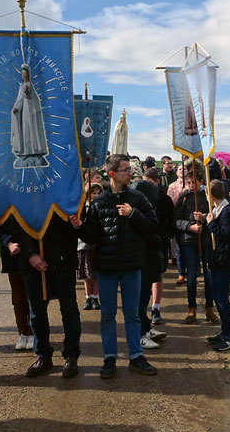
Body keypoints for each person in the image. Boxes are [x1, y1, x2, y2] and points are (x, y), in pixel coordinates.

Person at [73, 153, 159, 378]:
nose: (130, 173)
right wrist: (79, 225)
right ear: (112, 174)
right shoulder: (99, 202)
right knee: (108, 315)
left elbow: (152, 227)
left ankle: (135, 357)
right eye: (126, 170)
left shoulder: (138, 198)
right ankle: (109, 358)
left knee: (132, 314)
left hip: (132, 266)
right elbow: (91, 236)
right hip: (107, 268)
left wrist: (133, 214)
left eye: (130, 169)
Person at [14, 216, 83, 379]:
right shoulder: (23, 190)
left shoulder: (67, 191)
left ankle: (71, 356)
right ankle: (43, 356)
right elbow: (16, 222)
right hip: (32, 264)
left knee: (69, 310)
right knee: (37, 313)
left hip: (63, 261)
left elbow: (78, 216)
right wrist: (30, 253)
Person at [174, 167, 219, 324]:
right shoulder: (184, 198)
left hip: (206, 240)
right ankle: (191, 309)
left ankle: (209, 309)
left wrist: (204, 217)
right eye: (189, 182)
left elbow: (215, 216)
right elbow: (177, 221)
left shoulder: (208, 197)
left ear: (201, 181)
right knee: (192, 276)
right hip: (190, 241)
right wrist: (190, 226)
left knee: (209, 277)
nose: (191, 185)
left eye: (194, 182)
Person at [131, 169, 170, 349]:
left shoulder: (146, 210)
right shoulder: (135, 214)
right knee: (138, 302)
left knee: (144, 299)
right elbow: (149, 234)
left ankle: (146, 329)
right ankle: (139, 335)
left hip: (148, 261)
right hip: (140, 261)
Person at [205, 180, 230, 352]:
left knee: (221, 299)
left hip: (224, 261)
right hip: (218, 260)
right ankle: (224, 332)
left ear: (211, 197)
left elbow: (225, 234)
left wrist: (211, 223)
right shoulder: (218, 210)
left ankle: (229, 336)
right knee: (218, 297)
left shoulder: (226, 212)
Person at [11, 64, 49, 168]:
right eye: (22, 74)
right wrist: (16, 108)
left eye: (25, 73)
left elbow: (34, 99)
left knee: (33, 133)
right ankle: (26, 153)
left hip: (32, 114)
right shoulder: (22, 86)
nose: (23, 75)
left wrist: (33, 107)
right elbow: (20, 99)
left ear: (28, 74)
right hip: (24, 114)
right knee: (25, 132)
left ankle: (35, 152)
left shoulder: (29, 85)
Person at [79, 182, 102, 310]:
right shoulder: (83, 207)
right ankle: (88, 296)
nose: (96, 195)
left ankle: (95, 297)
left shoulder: (101, 206)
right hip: (84, 244)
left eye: (99, 193)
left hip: (97, 244)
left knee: (95, 273)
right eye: (93, 193)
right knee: (87, 273)